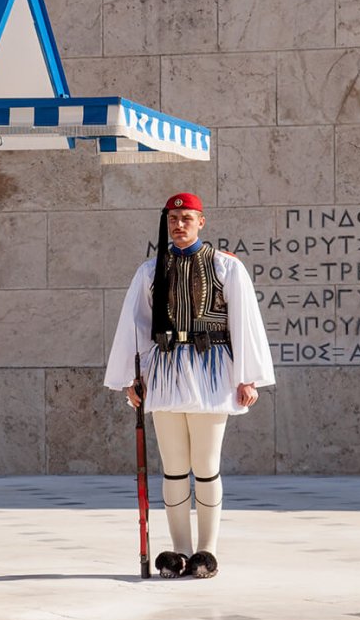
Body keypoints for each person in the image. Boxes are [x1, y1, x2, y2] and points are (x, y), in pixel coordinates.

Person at [104, 193, 275, 579]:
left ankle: (206, 551)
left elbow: (244, 321)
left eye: (187, 218)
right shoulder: (151, 270)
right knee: (175, 468)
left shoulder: (226, 267)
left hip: (211, 370)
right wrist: (133, 379)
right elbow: (135, 326)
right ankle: (180, 551)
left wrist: (247, 376)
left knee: (206, 466)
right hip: (166, 371)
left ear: (202, 222)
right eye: (173, 218)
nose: (179, 225)